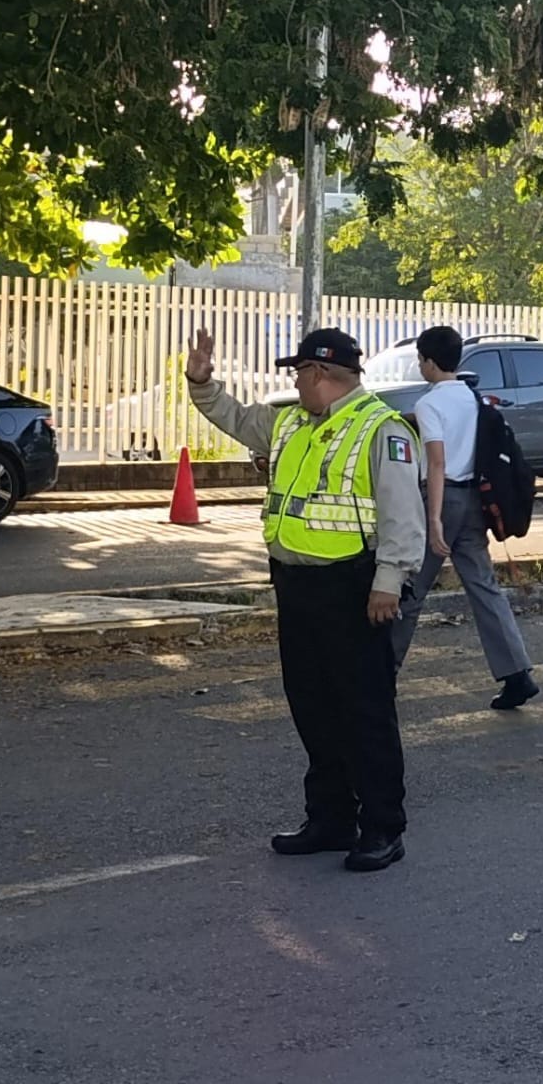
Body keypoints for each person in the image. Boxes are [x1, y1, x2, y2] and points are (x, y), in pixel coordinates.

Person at [186, 326, 424, 873]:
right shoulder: (293, 421)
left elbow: (402, 515)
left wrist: (389, 579)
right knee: (312, 706)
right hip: (296, 585)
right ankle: (331, 818)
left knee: (364, 711)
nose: (294, 380)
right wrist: (202, 383)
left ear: (320, 374)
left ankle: (383, 827)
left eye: (298, 372)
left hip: (356, 587)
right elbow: (236, 418)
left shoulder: (380, 429)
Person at [390, 327, 537, 710]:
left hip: (441, 500)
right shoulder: (473, 400)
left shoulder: (430, 404)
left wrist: (434, 518)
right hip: (475, 500)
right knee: (484, 587)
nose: (419, 365)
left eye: (420, 359)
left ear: (428, 362)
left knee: (409, 586)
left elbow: (436, 463)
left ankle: (381, 672)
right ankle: (517, 673)